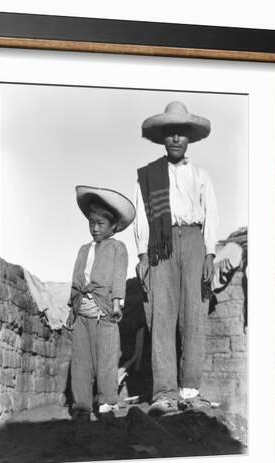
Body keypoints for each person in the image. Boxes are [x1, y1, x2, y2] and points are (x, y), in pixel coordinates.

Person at [134, 100, 219, 414]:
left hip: (194, 241)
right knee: (162, 317)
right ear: (162, 138)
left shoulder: (201, 175)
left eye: (181, 133)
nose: (175, 139)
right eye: (170, 133)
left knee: (193, 316)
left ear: (189, 138)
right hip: (161, 243)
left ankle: (190, 390)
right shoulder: (147, 176)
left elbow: (212, 215)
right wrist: (143, 254)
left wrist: (210, 253)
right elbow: (143, 217)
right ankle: (165, 393)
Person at [66, 186, 135, 422]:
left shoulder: (118, 248)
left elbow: (118, 278)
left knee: (106, 359)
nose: (95, 228)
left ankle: (107, 402)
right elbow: (76, 280)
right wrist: (72, 309)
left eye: (100, 224)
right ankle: (82, 406)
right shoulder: (83, 250)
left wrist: (116, 305)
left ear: (113, 226)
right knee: (81, 362)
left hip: (104, 314)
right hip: (82, 315)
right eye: (91, 223)